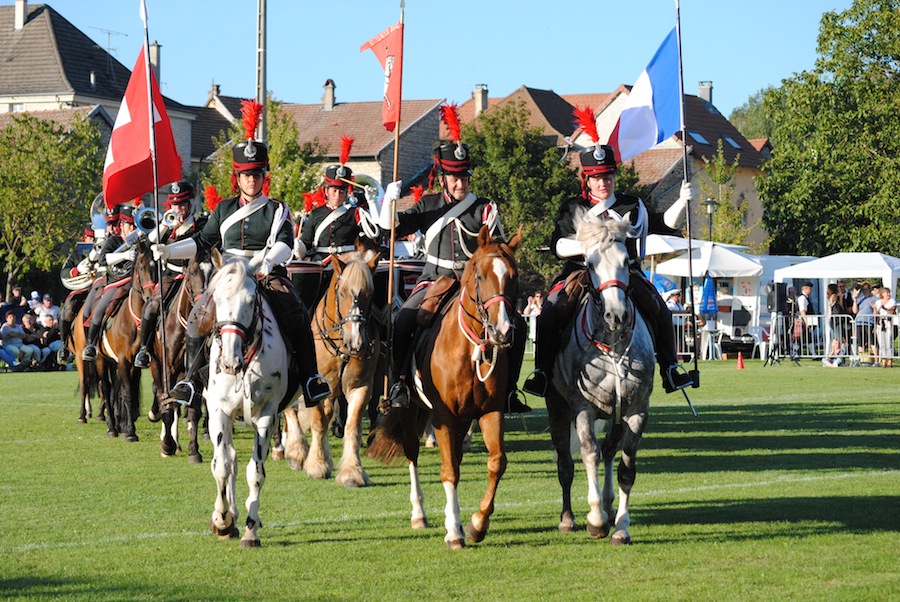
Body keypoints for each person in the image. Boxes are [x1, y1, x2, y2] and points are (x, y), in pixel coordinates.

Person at [152, 100, 329, 408]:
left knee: (297, 315)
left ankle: (311, 379)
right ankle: (192, 382)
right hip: (229, 277)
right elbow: (203, 242)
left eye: (257, 174)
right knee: (196, 318)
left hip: (265, 273)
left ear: (263, 176)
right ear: (238, 177)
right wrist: (169, 248)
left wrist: (268, 260)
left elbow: (286, 241)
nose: (252, 180)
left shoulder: (277, 210)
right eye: (246, 175)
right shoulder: (224, 209)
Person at [378, 104, 530, 413]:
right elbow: (390, 229)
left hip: (475, 284)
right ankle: (401, 384)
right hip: (434, 280)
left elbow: (498, 252)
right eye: (454, 178)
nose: (461, 184)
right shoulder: (427, 205)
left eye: (464, 177)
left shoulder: (485, 209)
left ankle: (508, 390)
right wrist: (388, 203)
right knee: (404, 320)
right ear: (442, 177)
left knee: (518, 326)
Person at [523, 134, 694, 397]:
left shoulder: (631, 205)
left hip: (625, 272)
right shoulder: (574, 207)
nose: (604, 183)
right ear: (587, 180)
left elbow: (665, 224)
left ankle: (670, 368)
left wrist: (682, 201)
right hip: (581, 272)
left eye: (608, 176)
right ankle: (543, 373)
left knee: (659, 308)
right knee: (551, 310)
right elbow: (558, 246)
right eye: (597, 178)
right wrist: (592, 244)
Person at [133, 181, 208, 369]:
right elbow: (150, 244)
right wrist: (166, 225)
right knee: (152, 305)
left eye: (182, 204)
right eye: (175, 205)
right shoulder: (167, 226)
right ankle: (144, 349)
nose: (179, 209)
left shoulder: (201, 224)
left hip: (197, 277)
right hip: (173, 276)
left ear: (190, 205)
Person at [298, 137, 381, 264]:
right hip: (321, 260)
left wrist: (372, 203)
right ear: (326, 192)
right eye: (334, 191)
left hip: (348, 260)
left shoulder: (355, 213)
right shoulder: (316, 214)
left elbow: (372, 233)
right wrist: (298, 246)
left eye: (341, 191)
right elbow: (306, 242)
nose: (337, 195)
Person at [82, 204, 139, 362]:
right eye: (129, 224)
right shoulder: (114, 241)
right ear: (122, 225)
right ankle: (91, 344)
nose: (133, 228)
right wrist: (126, 255)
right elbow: (103, 259)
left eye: (135, 224)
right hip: (117, 282)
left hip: (137, 283)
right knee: (99, 311)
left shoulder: (141, 241)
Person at [850, 281, 878, 355]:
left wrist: (874, 308)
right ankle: (862, 359)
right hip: (859, 322)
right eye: (863, 289)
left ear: (869, 289)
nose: (864, 291)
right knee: (860, 342)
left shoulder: (875, 299)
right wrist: (855, 300)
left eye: (866, 289)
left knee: (872, 341)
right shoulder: (860, 299)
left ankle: (876, 359)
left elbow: (876, 313)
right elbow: (855, 311)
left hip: (869, 322)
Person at [874, 287, 895, 368]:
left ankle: (890, 360)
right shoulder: (878, 302)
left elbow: (892, 311)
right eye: (887, 293)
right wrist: (875, 308)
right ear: (882, 294)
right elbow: (875, 314)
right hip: (880, 323)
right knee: (881, 343)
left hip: (888, 323)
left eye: (889, 293)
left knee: (888, 343)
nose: (888, 294)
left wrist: (884, 308)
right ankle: (884, 360)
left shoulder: (892, 301)